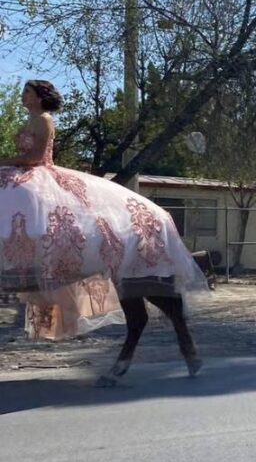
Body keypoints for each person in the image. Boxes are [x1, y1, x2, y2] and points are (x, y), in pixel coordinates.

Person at [1, 80, 208, 340]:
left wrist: (5, 162)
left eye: (27, 92)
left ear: (40, 98)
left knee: (23, 198)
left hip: (39, 173)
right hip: (22, 171)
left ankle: (34, 248)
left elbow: (35, 158)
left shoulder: (44, 120)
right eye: (23, 92)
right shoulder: (29, 120)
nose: (23, 96)